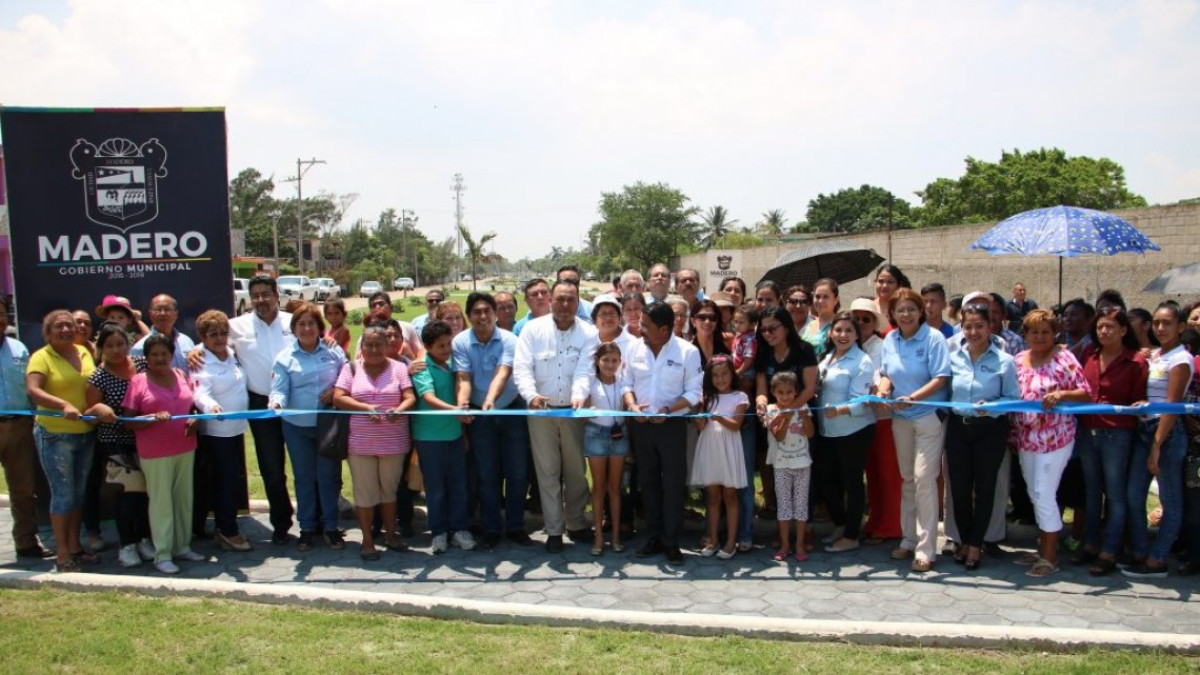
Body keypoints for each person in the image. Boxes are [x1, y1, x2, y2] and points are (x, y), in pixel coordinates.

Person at [514, 279, 597, 552]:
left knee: (575, 471)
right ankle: (553, 530)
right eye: (559, 299)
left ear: (577, 302)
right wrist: (530, 395)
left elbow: (585, 369)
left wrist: (579, 394)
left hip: (573, 411)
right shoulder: (532, 330)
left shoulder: (588, 332)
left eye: (570, 299)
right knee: (547, 471)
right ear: (550, 299)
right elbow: (523, 368)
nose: (564, 305)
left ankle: (576, 522)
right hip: (540, 411)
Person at [1012, 309, 1092, 578]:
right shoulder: (1019, 360)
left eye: (1046, 331)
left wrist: (1061, 394)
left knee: (1044, 493)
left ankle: (1050, 557)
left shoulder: (1064, 358)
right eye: (1034, 331)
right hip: (1025, 438)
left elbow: (1085, 393)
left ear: (1054, 333)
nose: (1040, 336)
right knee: (1035, 494)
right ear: (1026, 334)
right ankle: (1041, 546)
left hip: (1056, 438)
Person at [622, 302, 703, 565]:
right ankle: (654, 535)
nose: (640, 328)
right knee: (648, 483)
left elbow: (694, 393)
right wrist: (633, 406)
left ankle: (671, 541)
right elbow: (626, 384)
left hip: (672, 427)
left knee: (673, 485)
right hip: (642, 426)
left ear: (665, 328)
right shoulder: (634, 348)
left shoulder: (688, 352)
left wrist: (669, 409)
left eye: (646, 325)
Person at [876, 287, 950, 573]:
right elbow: (886, 374)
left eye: (911, 309)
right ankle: (908, 539)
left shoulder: (933, 338)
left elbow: (941, 378)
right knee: (907, 478)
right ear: (892, 313)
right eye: (900, 310)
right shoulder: (890, 340)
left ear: (921, 311)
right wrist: (884, 391)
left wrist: (914, 398)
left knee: (924, 479)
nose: (905, 314)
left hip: (928, 416)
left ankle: (926, 549)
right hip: (900, 418)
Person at [453, 292, 532, 548]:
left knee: (517, 472)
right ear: (469, 316)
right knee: (487, 474)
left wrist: (491, 399)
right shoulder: (460, 342)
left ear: (496, 314)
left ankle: (516, 526)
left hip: (510, 408)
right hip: (480, 414)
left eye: (488, 311)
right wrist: (464, 404)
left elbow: (503, 372)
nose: (483, 316)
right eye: (476, 312)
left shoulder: (510, 339)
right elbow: (463, 378)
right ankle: (491, 528)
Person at [122, 334, 205, 574]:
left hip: (185, 447)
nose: (160, 358)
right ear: (146, 357)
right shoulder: (138, 381)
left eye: (164, 354)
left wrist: (194, 419)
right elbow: (128, 421)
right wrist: (149, 419)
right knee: (161, 504)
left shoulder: (180, 375)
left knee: (183, 500)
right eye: (154, 355)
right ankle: (163, 554)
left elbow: (193, 405)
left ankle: (182, 546)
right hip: (155, 452)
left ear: (171, 355)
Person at [944, 303, 1019, 571]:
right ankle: (964, 539)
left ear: (990, 327)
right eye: (968, 326)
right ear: (961, 328)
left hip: (990, 431)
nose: (973, 331)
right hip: (958, 429)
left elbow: (1013, 398)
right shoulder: (953, 358)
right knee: (959, 489)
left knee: (985, 489)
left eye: (979, 326)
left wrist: (995, 405)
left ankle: (976, 544)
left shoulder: (1005, 361)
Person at [332, 322, 416, 560]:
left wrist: (399, 409)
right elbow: (339, 397)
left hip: (393, 442)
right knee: (365, 494)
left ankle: (391, 535)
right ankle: (367, 541)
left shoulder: (399, 368)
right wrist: (365, 407)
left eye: (379, 344)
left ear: (387, 345)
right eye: (369, 345)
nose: (375, 350)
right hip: (360, 444)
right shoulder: (351, 369)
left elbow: (409, 396)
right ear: (362, 346)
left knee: (389, 492)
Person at [1123, 301, 1194, 579]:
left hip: (1166, 434)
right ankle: (1141, 550)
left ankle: (1158, 559)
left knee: (1170, 498)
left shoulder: (1180, 360)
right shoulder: (1156, 356)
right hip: (1145, 429)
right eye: (1156, 323)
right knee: (1133, 494)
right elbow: (1155, 396)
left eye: (1167, 323)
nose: (1161, 328)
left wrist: (1156, 446)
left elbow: (1171, 406)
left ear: (1181, 327)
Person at [269, 303, 347, 552]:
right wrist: (277, 401)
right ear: (294, 329)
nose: (306, 328)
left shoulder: (333, 352)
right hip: (296, 426)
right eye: (301, 324)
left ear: (319, 327)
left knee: (328, 477)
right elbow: (279, 388)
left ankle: (331, 527)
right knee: (304, 478)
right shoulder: (284, 358)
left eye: (311, 323)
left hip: (327, 426)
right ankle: (307, 529)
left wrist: (335, 391)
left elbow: (347, 378)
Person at [223, 275, 295, 544]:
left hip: (295, 403)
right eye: (256, 295)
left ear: (277, 295)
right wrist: (197, 352)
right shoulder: (235, 326)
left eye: (266, 293)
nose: (261, 300)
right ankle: (281, 522)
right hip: (260, 404)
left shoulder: (293, 323)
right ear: (249, 298)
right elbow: (213, 347)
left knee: (304, 466)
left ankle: (316, 523)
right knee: (272, 468)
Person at [1076, 307, 1146, 576]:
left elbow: (1139, 399)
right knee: (1092, 491)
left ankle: (1109, 550)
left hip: (1117, 434)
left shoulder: (1136, 361)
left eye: (1110, 327)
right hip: (1087, 431)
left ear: (1124, 331)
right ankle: (1091, 543)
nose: (1104, 332)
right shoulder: (1089, 355)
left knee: (1115, 495)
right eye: (1100, 327)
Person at [26, 309, 96, 573]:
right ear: (48, 332)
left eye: (69, 325)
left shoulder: (85, 352)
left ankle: (75, 546)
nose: (66, 330)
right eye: (59, 327)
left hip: (85, 434)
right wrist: (63, 404)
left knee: (78, 494)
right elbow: (33, 390)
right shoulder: (42, 357)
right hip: (55, 435)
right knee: (63, 495)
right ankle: (63, 554)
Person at [83, 322, 152, 567]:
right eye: (109, 346)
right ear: (101, 349)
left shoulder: (142, 365)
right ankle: (127, 545)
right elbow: (88, 413)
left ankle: (144, 538)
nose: (115, 350)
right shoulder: (99, 376)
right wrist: (98, 408)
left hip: (145, 439)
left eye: (120, 344)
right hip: (114, 442)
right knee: (128, 494)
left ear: (128, 344)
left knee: (146, 494)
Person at [190, 310, 252, 552]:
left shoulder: (232, 353)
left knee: (231, 479)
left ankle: (224, 526)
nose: (219, 338)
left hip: (236, 429)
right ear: (203, 336)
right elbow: (199, 391)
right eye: (213, 334)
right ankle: (227, 531)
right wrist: (211, 406)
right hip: (217, 432)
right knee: (224, 481)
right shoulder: (200, 358)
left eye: (223, 333)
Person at [412, 320, 475, 554]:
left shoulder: (453, 365)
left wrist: (462, 426)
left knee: (459, 486)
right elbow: (428, 397)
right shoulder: (421, 368)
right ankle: (438, 532)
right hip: (429, 438)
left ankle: (459, 529)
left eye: (449, 343)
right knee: (436, 488)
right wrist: (455, 411)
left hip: (454, 436)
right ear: (427, 347)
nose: (447, 349)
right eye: (441, 346)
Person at [817, 312, 877, 554]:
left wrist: (841, 410)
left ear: (857, 335)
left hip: (854, 429)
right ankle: (841, 524)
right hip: (827, 429)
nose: (843, 335)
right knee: (824, 478)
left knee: (853, 483)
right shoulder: (827, 356)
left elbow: (863, 400)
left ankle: (852, 535)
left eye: (848, 331)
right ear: (831, 332)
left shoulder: (862, 361)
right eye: (838, 330)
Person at [754, 306, 818, 522]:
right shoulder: (763, 353)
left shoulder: (804, 349)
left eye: (772, 328)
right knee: (779, 476)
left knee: (804, 477)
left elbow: (810, 388)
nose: (767, 334)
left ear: (786, 327)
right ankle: (783, 532)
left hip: (802, 418)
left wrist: (789, 411)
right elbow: (761, 391)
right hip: (776, 422)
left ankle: (804, 530)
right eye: (763, 330)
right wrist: (761, 403)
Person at [0, 298, 50, 559]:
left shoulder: (18, 348)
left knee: (22, 489)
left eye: (1, 314)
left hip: (18, 427)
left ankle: (25, 542)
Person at [851, 297, 903, 544]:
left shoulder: (881, 346)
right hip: (863, 419)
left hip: (883, 417)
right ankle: (875, 522)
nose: (861, 323)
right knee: (872, 474)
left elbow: (882, 377)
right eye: (856, 318)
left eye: (866, 319)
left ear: (875, 322)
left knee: (887, 473)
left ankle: (891, 526)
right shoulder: (851, 345)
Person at [690, 355, 747, 559]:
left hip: (729, 448)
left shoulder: (740, 396)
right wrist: (699, 416)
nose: (720, 379)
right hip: (710, 448)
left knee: (730, 496)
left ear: (732, 374)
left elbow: (736, 425)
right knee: (712, 497)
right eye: (715, 375)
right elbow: (701, 427)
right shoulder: (707, 398)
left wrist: (719, 417)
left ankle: (731, 542)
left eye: (724, 374)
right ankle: (713, 539)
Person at [576, 341, 628, 555]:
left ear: (620, 362)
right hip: (596, 435)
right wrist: (588, 408)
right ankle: (598, 537)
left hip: (619, 436)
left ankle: (615, 536)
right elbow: (582, 409)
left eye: (614, 360)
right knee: (599, 488)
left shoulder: (623, 381)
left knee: (615, 489)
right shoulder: (590, 382)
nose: (610, 364)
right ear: (597, 361)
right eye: (605, 360)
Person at [764, 371, 814, 562]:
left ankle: (800, 545)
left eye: (789, 392)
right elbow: (779, 435)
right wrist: (786, 415)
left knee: (801, 506)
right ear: (773, 392)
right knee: (784, 506)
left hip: (803, 463)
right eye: (781, 392)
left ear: (796, 392)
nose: (785, 396)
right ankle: (785, 545)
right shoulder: (771, 410)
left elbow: (810, 434)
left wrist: (805, 417)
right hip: (781, 465)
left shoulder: (804, 406)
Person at [130, 294, 195, 370]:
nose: (162, 313)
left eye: (167, 309)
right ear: (150, 314)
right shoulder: (139, 348)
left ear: (176, 314)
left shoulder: (187, 341)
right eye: (158, 309)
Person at [688, 299, 731, 366]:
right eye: (702, 317)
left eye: (712, 317)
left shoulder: (728, 343)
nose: (707, 322)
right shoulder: (687, 349)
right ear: (693, 321)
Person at [873, 264, 911, 331]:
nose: (884, 286)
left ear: (898, 285)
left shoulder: (906, 309)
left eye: (890, 282)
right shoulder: (868, 307)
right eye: (880, 281)